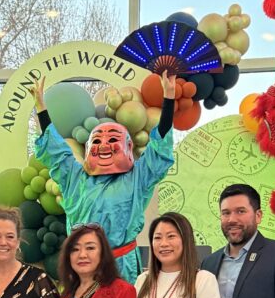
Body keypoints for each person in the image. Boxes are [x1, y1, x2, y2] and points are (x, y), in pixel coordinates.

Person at [33, 74, 177, 282]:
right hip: (83, 270)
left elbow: (159, 148)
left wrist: (169, 98)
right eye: (97, 141)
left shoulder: (137, 178)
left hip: (122, 270)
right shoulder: (75, 178)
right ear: (89, 148)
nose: (104, 146)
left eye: (112, 140)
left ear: (128, 147)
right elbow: (56, 152)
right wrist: (41, 109)